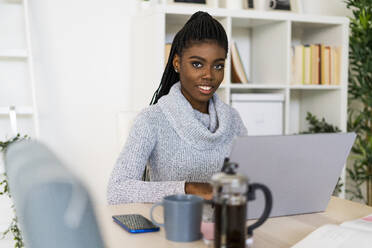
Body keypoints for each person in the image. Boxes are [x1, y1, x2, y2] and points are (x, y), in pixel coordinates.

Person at [107, 11, 247, 204]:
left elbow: (249, 182)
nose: (209, 75)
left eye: (218, 66)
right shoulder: (151, 120)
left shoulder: (233, 119)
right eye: (197, 64)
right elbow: (117, 190)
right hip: (173, 227)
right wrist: (187, 188)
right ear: (177, 63)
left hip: (226, 227)